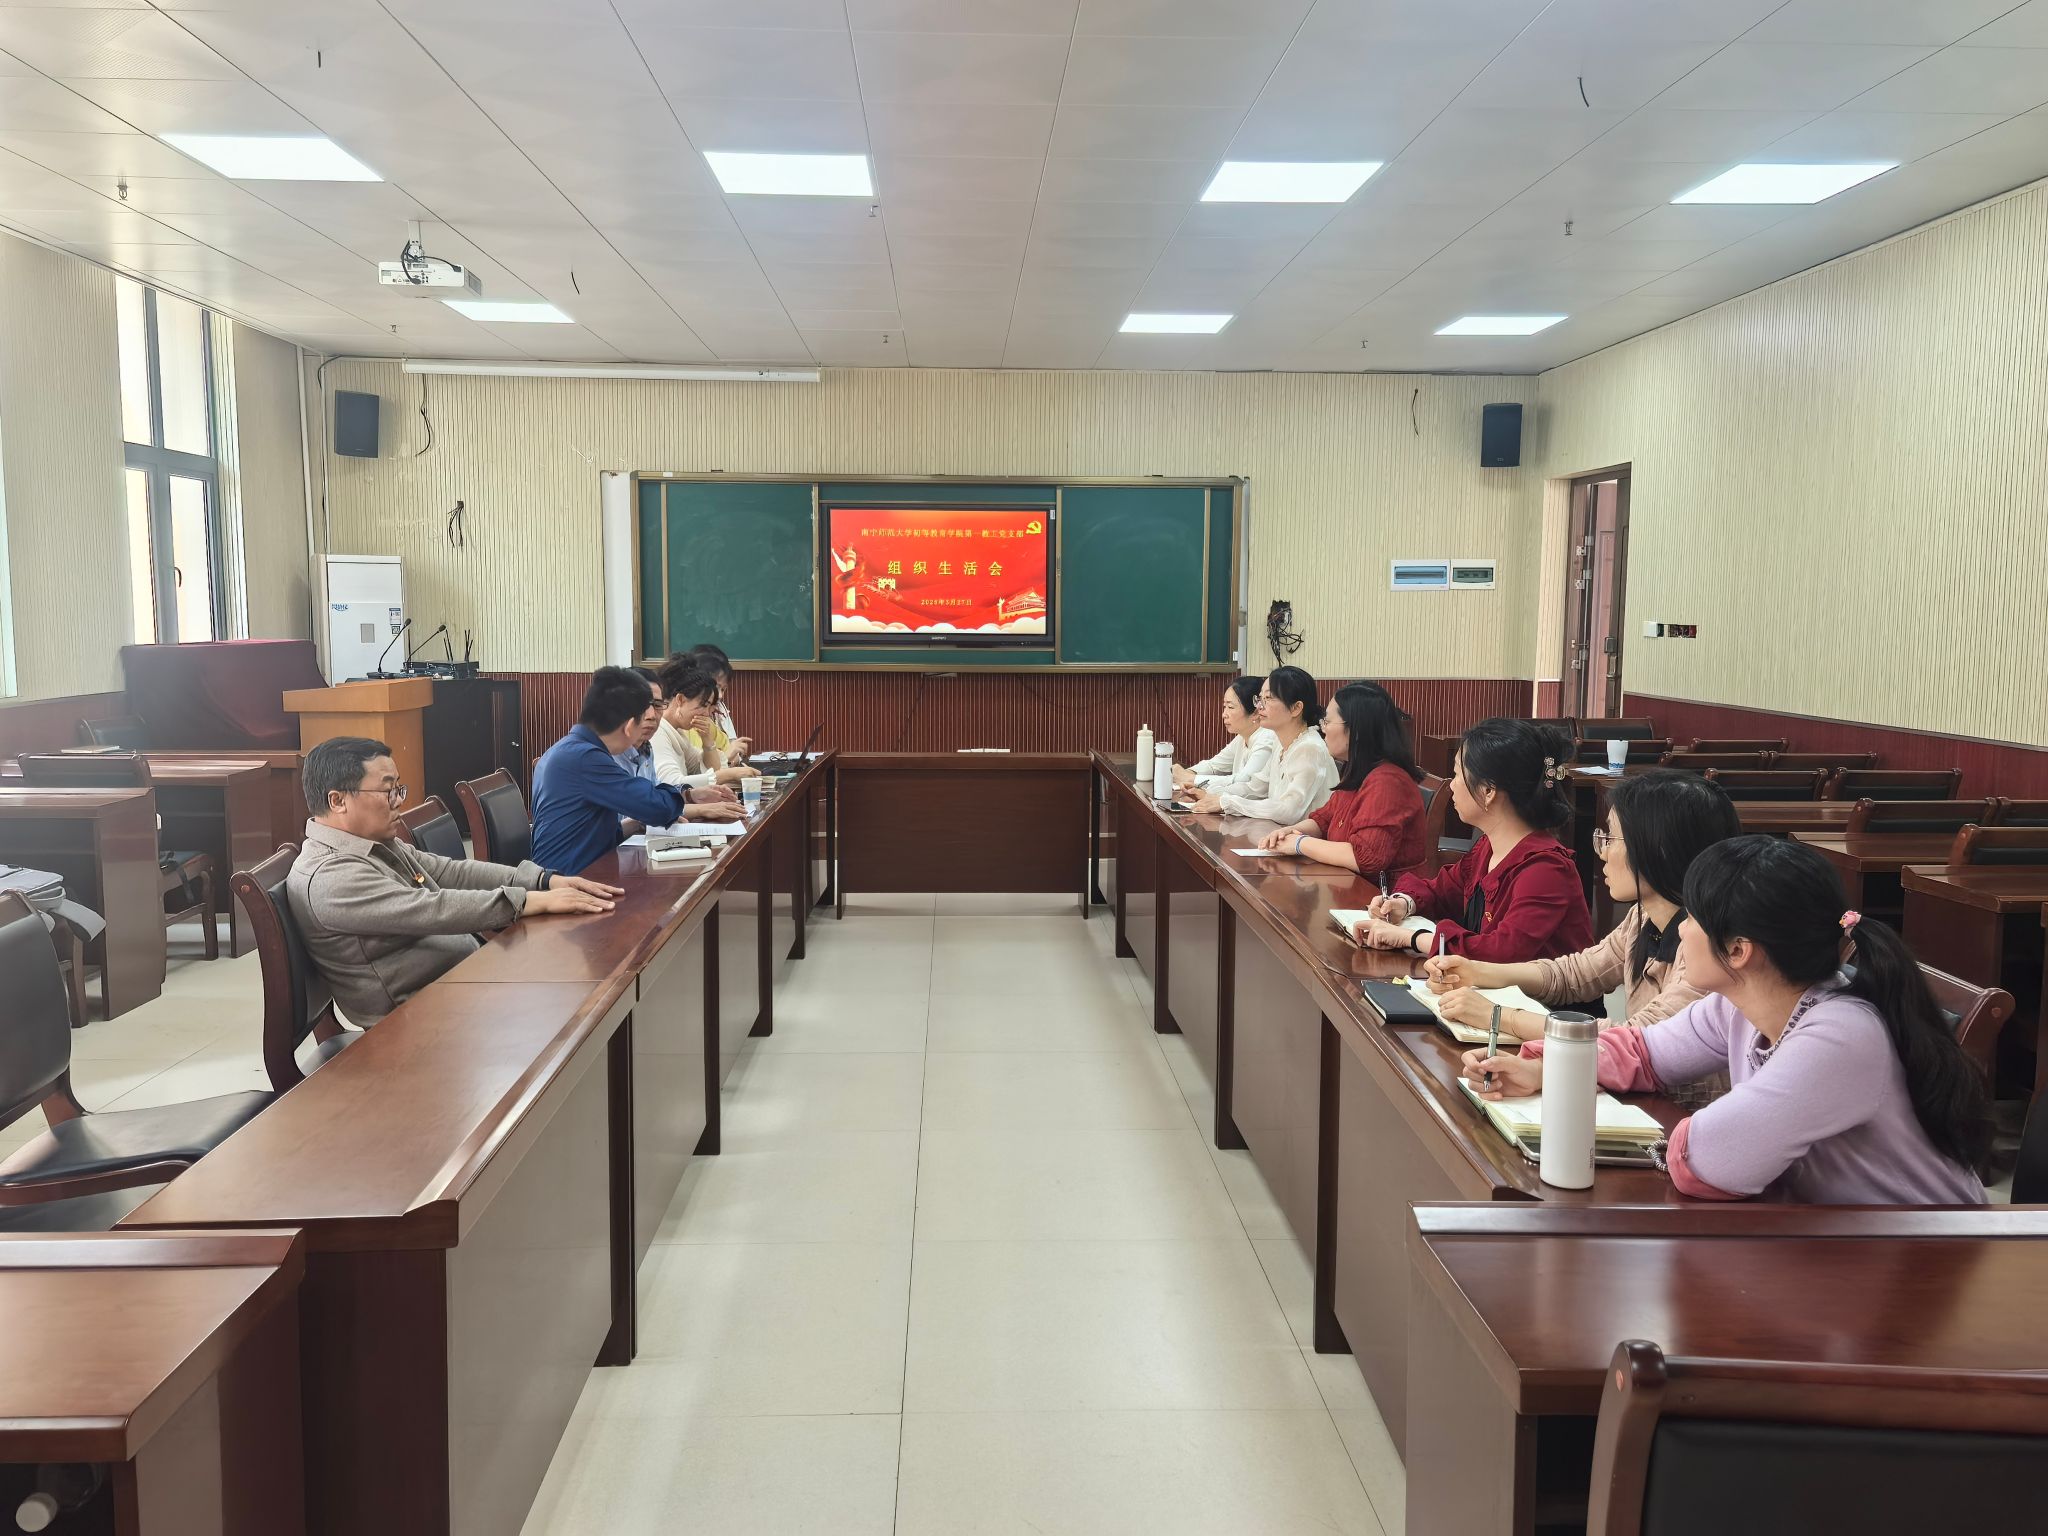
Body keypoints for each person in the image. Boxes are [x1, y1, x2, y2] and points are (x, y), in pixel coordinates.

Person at [1461, 836, 1990, 1205]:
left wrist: (1685, 1137)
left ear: (1738, 950)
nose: (1681, 929)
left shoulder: (1841, 1036)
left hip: (1926, 1256)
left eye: (1693, 916)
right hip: (1831, 1238)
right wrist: (1546, 1069)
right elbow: (1642, 1052)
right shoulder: (1737, 1004)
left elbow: (1710, 1159)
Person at [287, 737, 621, 1026]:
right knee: (577, 992)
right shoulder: (330, 876)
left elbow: (451, 872)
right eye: (388, 791)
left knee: (587, 969)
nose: (398, 801)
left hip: (460, 985)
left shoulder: (371, 843)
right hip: (416, 1020)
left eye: (398, 789)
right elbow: (430, 909)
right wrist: (526, 901)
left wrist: (543, 881)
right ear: (337, 801)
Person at [1424, 770, 1742, 1045]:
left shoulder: (1708, 948)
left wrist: (1499, 1016)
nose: (1602, 852)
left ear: (1658, 851)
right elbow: (1576, 973)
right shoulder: (1644, 917)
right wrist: (1477, 972)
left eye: (1611, 838)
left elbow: (1636, 1041)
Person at [1351, 718, 1591, 972]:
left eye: (1457, 774)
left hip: (1536, 998)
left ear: (1488, 791)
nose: (1452, 784)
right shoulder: (1489, 847)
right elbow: (1442, 890)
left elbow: (1502, 953)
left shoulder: (1546, 869)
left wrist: (1413, 938)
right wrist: (1402, 903)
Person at [1256, 682, 1426, 877]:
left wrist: (1300, 843)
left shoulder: (1387, 782)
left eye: (1327, 722)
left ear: (1356, 729)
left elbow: (1365, 857)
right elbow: (1324, 821)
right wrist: (1290, 831)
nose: (1323, 729)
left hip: (1383, 893)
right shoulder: (1360, 771)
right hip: (1347, 884)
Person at [530, 667, 690, 874]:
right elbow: (658, 808)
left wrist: (635, 823)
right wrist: (675, 794)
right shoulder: (586, 759)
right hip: (569, 881)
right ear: (630, 726)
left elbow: (590, 832)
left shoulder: (569, 749)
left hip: (571, 871)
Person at [1183, 665, 1336, 824]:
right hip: (1280, 833)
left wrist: (1227, 803)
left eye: (1268, 698)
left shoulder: (1310, 748)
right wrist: (1212, 794)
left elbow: (1288, 810)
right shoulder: (1280, 744)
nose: (1259, 706)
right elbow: (1255, 787)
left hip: (1305, 838)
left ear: (1296, 708)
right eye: (1260, 699)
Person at [650, 656, 755, 807]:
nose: (706, 713)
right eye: (703, 705)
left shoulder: (677, 731)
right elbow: (672, 784)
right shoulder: (657, 731)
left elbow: (706, 769)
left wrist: (707, 742)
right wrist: (727, 775)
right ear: (680, 700)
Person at [1171, 678, 1277, 798]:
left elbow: (1245, 781)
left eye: (1230, 707)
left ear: (1256, 712)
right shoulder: (1242, 737)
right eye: (1224, 706)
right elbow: (1214, 765)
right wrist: (1187, 773)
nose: (1224, 714)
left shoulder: (1267, 737)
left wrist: (1192, 779)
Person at [686, 644, 751, 766]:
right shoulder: (686, 721)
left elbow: (734, 753)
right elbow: (698, 769)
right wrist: (726, 758)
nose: (720, 695)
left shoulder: (716, 713)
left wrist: (728, 759)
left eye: (723, 689)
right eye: (716, 687)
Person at [612, 667, 663, 784]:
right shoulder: (600, 755)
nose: (651, 715)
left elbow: (654, 790)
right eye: (641, 704)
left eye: (657, 705)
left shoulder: (645, 748)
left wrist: (688, 793)